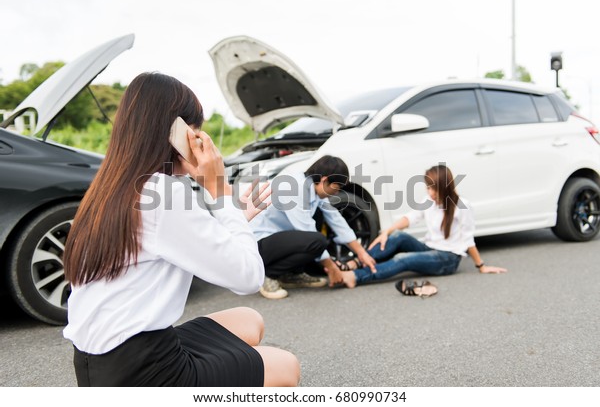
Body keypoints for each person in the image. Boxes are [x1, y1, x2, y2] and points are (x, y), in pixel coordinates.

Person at [62, 72, 300, 387]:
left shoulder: (116, 184)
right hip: (141, 371)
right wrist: (220, 191)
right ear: (174, 132)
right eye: (195, 129)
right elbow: (248, 278)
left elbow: (191, 242)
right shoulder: (163, 193)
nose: (199, 139)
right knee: (286, 367)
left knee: (249, 320)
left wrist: (236, 216)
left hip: (102, 360)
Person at [341, 164, 507, 295]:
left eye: (434, 188)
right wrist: (386, 232)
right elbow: (410, 218)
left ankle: (356, 276)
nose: (430, 192)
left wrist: (482, 266)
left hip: (448, 259)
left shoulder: (462, 207)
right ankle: (356, 262)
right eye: (428, 187)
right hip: (430, 248)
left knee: (402, 259)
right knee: (398, 236)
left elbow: (468, 239)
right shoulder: (429, 200)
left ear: (445, 187)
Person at [249, 155, 376, 299]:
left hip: (275, 239)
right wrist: (332, 268)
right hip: (256, 244)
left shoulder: (313, 190)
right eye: (337, 187)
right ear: (324, 180)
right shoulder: (294, 189)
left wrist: (361, 253)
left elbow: (336, 219)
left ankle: (292, 274)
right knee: (317, 241)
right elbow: (306, 231)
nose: (337, 192)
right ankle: (268, 274)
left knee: (319, 219)